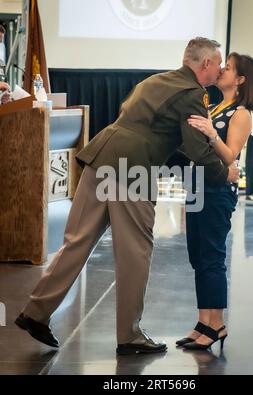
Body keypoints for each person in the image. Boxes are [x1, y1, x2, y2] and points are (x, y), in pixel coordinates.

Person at [15, 37, 239, 355]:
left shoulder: (156, 80)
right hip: (133, 168)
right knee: (135, 252)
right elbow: (196, 151)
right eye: (218, 63)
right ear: (205, 64)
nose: (219, 69)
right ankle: (129, 334)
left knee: (76, 241)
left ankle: (34, 313)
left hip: (101, 156)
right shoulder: (193, 94)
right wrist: (225, 174)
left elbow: (143, 123)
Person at [176, 52, 253, 350]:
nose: (222, 70)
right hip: (197, 186)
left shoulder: (241, 113)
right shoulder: (212, 105)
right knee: (197, 256)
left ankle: (217, 324)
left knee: (212, 257)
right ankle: (204, 322)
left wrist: (212, 133)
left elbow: (231, 157)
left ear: (240, 80)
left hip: (216, 191)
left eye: (228, 67)